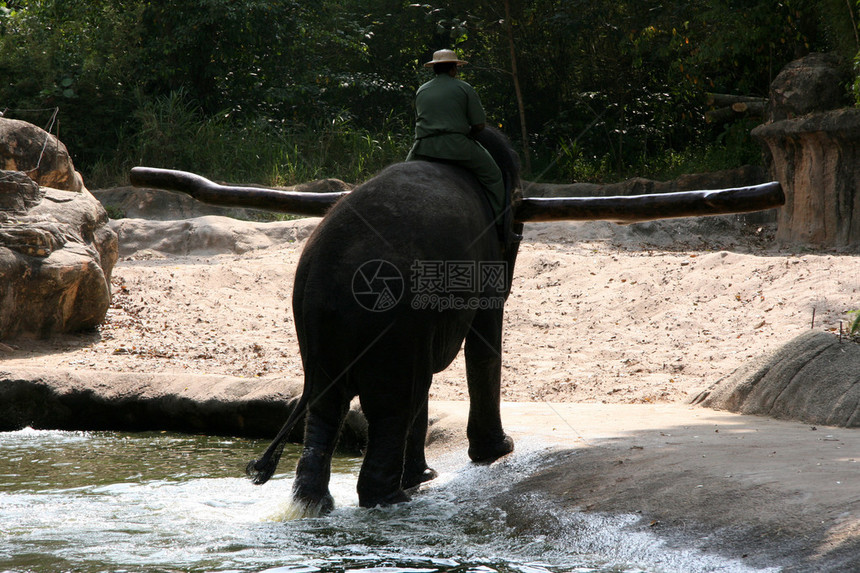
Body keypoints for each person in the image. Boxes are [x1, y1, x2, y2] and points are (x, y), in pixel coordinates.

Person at [406, 49, 507, 225]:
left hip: (424, 147)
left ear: (434, 69)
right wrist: (468, 134)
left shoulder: (422, 90)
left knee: (403, 177)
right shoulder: (464, 88)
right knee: (493, 176)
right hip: (457, 146)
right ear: (453, 69)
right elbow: (479, 125)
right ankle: (499, 223)